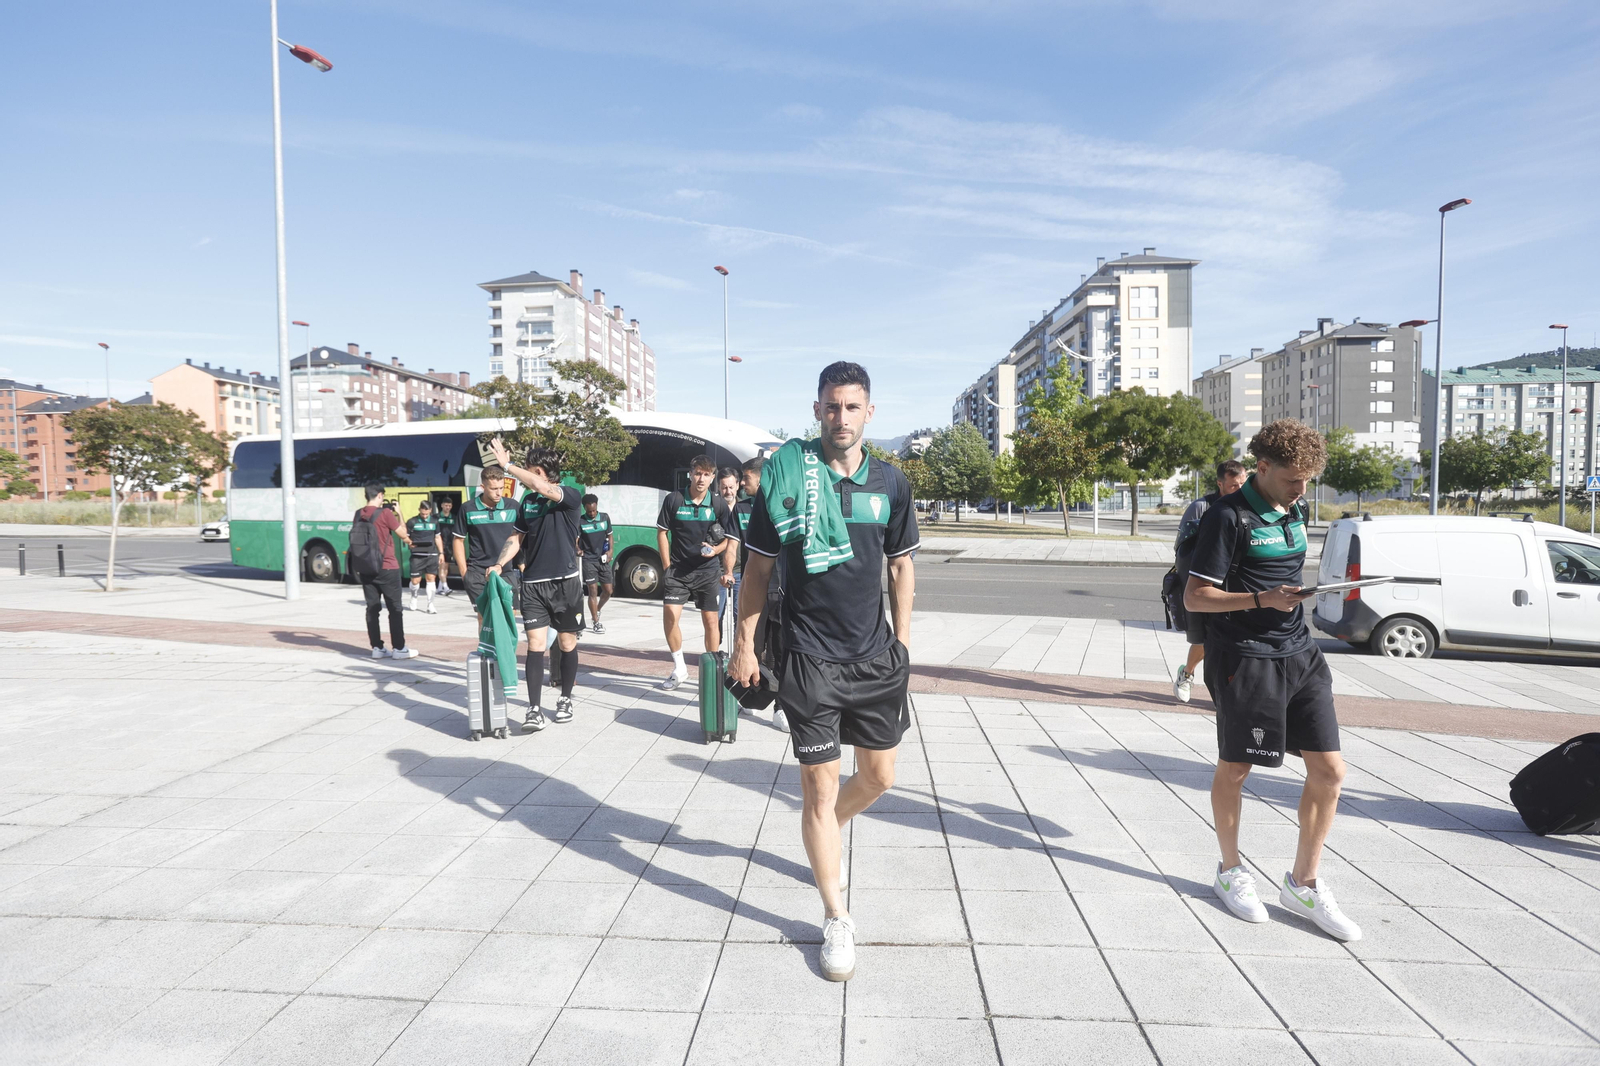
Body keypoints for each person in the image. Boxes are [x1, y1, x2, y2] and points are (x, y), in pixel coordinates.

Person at [730, 361, 917, 983]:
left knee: (881, 778)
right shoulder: (786, 479)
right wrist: (744, 645)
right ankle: (836, 915)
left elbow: (900, 568)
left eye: (853, 407)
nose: (841, 417)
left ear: (870, 412)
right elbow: (755, 572)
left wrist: (904, 646)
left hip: (874, 657)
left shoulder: (890, 481)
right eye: (832, 407)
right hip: (808, 658)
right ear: (817, 410)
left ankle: (823, 834)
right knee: (818, 786)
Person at [1184, 419, 1361, 942]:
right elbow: (1197, 597)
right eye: (1292, 479)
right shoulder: (1226, 517)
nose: (1301, 490)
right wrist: (1262, 599)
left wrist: (1292, 594)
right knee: (1236, 768)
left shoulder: (1297, 507)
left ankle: (1302, 883)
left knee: (1330, 771)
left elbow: (1276, 574)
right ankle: (1230, 870)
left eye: (1309, 480)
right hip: (1244, 656)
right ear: (1262, 468)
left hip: (1300, 652)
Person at [486, 440, 584, 731]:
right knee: (535, 646)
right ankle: (534, 709)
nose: (523, 478)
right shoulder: (527, 503)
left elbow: (543, 488)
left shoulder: (570, 495)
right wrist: (499, 564)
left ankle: (565, 699)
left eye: (528, 472)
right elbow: (516, 539)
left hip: (565, 584)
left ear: (539, 471)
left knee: (567, 643)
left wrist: (507, 466)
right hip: (533, 586)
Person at [656, 454, 739, 689]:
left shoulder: (718, 504)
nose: (701, 478)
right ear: (690, 474)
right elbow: (662, 533)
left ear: (713, 477)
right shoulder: (674, 500)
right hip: (678, 572)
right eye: (698, 473)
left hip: (708, 572)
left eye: (706, 474)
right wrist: (666, 567)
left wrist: (715, 551)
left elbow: (731, 539)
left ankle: (712, 673)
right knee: (670, 617)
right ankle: (680, 669)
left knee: (712, 621)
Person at [1171, 459, 1246, 702]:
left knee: (1233, 638)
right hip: (1204, 583)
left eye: (1243, 483)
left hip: (1234, 584)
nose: (1240, 489)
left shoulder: (1249, 506)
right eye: (1234, 485)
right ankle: (1187, 673)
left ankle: (1227, 692)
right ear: (1220, 484)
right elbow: (1183, 550)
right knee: (1204, 639)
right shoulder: (1201, 507)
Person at [354, 483, 418, 660]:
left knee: (372, 609)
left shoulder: (358, 514)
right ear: (380, 495)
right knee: (395, 608)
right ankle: (399, 648)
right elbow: (403, 534)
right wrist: (399, 512)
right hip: (388, 567)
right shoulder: (386, 513)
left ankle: (377, 648)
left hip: (367, 568)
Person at [451, 464, 521, 624]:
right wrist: (464, 573)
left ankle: (505, 650)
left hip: (506, 572)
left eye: (501, 488)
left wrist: (522, 564)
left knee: (509, 617)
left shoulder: (513, 506)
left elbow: (519, 538)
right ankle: (486, 649)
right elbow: (458, 540)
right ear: (483, 486)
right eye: (493, 488)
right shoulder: (467, 508)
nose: (498, 493)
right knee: (485, 618)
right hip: (477, 574)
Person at [577, 494, 614, 634]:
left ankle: (597, 610)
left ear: (596, 506)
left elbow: (610, 535)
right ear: (585, 508)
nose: (592, 513)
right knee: (593, 590)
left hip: (603, 559)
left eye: (593, 510)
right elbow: (576, 540)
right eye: (589, 511)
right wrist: (578, 550)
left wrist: (610, 551)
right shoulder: (580, 521)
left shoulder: (605, 518)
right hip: (588, 560)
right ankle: (596, 622)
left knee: (608, 590)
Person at [405, 500, 445, 614]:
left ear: (430, 511)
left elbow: (438, 538)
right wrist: (410, 543)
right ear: (419, 510)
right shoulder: (412, 522)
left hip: (432, 555)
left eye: (427, 514)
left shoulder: (435, 521)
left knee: (431, 579)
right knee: (415, 581)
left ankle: (430, 605)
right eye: (423, 514)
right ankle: (414, 597)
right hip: (417, 556)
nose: (425, 516)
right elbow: (405, 537)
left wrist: (441, 553)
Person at [715, 466, 741, 627]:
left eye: (731, 487)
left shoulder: (745, 508)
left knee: (740, 618)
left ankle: (738, 652)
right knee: (715, 616)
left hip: (742, 571)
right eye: (724, 487)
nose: (728, 491)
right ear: (718, 487)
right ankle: (714, 650)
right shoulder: (712, 509)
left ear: (738, 485)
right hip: (716, 572)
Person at [435, 497, 457, 596]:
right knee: (441, 565)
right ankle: (445, 587)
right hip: (439, 545)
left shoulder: (454, 518)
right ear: (442, 505)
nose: (447, 507)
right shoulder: (436, 517)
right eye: (446, 505)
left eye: (449, 506)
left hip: (449, 546)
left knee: (446, 566)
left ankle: (440, 587)